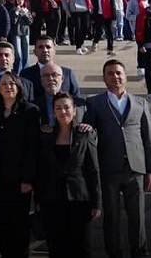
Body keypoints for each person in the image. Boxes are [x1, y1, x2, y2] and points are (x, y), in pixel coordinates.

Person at [84, 59, 151, 258]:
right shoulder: (94, 103)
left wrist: (150, 170)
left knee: (137, 218)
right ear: (104, 78)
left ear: (125, 76)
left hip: (135, 169)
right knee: (112, 218)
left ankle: (139, 253)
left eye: (118, 73)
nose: (115, 77)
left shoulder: (140, 103)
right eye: (110, 73)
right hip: (108, 169)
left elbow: (148, 138)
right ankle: (114, 253)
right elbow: (88, 134)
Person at [35, 92, 101, 258]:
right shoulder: (46, 135)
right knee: (57, 246)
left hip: (79, 199)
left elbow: (93, 170)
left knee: (82, 247)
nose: (63, 111)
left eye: (66, 107)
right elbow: (41, 169)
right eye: (58, 108)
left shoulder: (85, 133)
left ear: (74, 110)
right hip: (52, 200)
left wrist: (96, 202)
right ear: (53, 112)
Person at [0, 72, 40, 258]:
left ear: (18, 87)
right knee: (1, 224)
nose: (8, 87)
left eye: (12, 83)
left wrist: (28, 178)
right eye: (4, 84)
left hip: (20, 180)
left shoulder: (30, 111)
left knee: (20, 226)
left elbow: (32, 147)